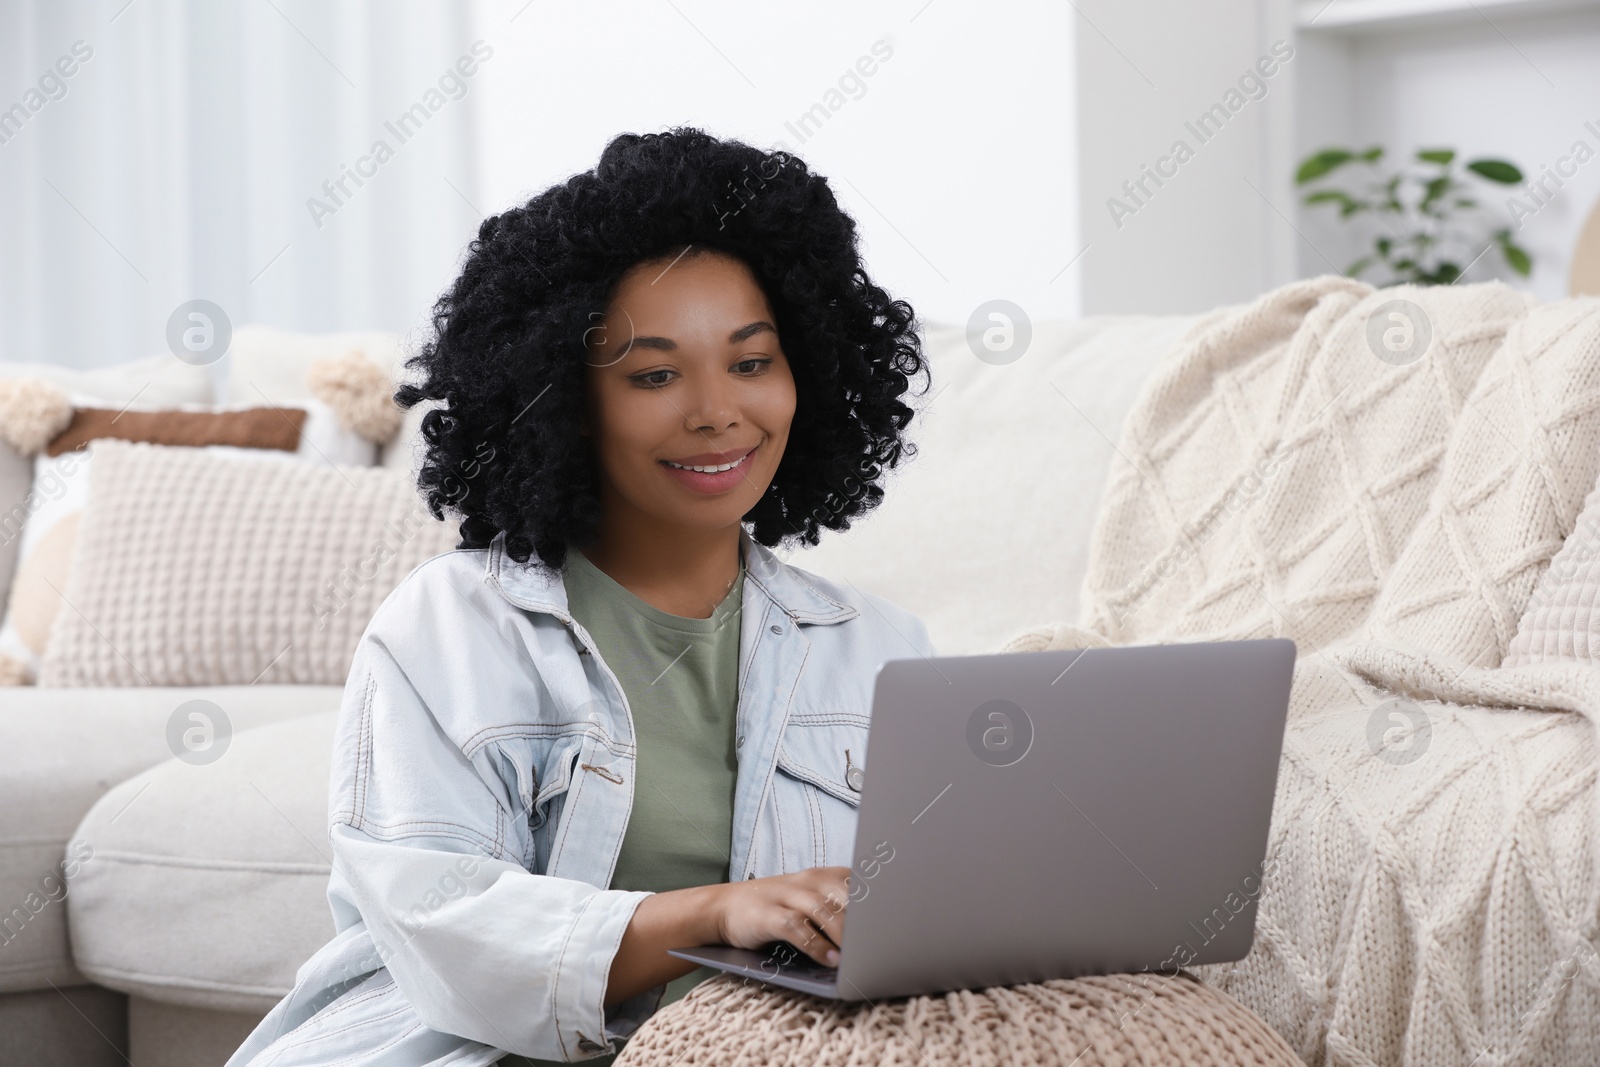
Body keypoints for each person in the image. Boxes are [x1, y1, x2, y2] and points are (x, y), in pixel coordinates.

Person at [227, 127, 933, 1067]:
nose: (717, 408)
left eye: (752, 361)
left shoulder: (881, 647)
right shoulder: (450, 626)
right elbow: (440, 925)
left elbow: (939, 915)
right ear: (563, 397)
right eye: (654, 374)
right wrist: (712, 913)